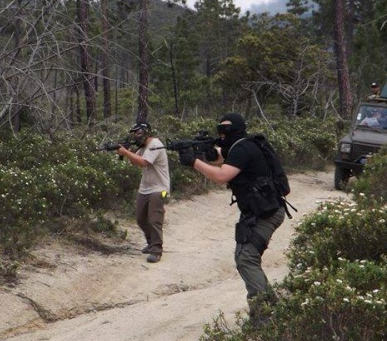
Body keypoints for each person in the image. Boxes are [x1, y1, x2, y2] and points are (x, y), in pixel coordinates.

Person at [178, 113, 286, 324]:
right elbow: (220, 157)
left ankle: (263, 316)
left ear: (236, 129)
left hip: (267, 212)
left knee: (247, 258)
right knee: (244, 257)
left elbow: (221, 176)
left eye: (226, 130)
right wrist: (204, 153)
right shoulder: (239, 146)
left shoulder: (243, 148)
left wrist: (193, 162)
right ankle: (271, 306)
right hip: (258, 211)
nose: (222, 133)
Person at [116, 122, 170, 263]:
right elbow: (136, 160)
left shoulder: (155, 144)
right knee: (140, 218)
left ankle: (157, 250)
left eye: (138, 132)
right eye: (134, 133)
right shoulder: (144, 146)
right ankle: (151, 243)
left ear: (146, 132)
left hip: (160, 189)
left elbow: (143, 162)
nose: (136, 136)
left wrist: (126, 152)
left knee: (154, 219)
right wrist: (126, 151)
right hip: (145, 188)